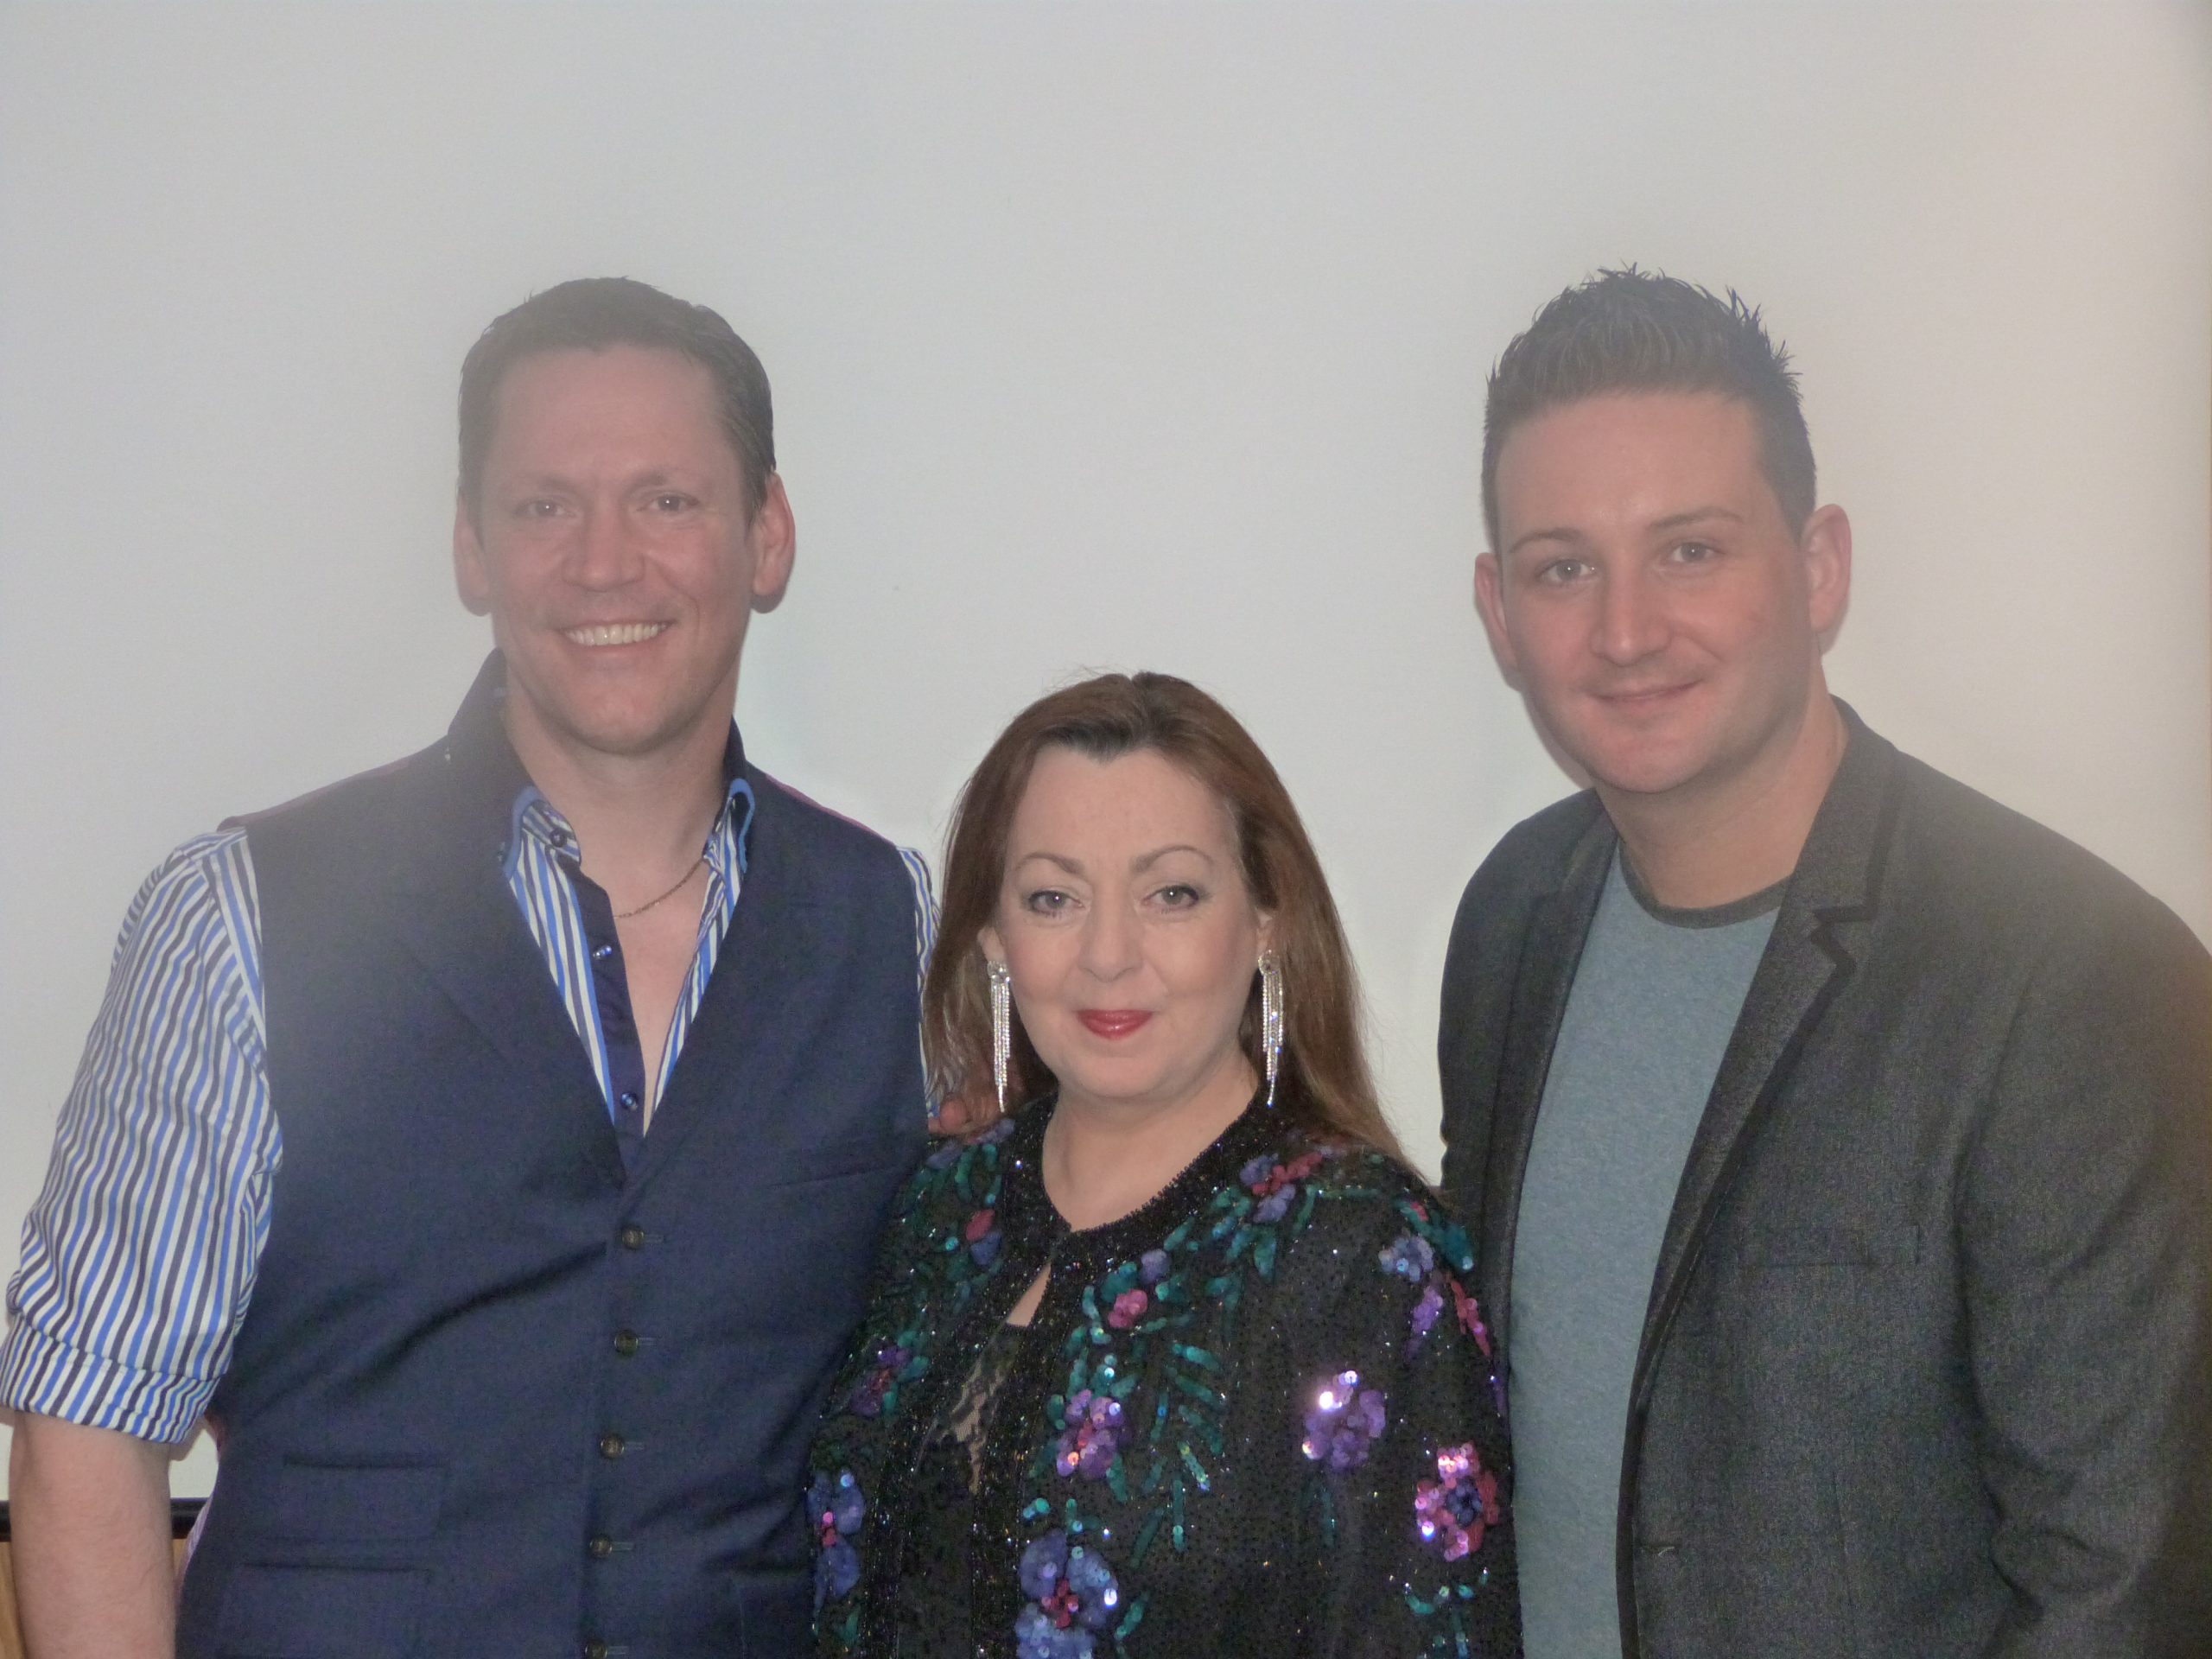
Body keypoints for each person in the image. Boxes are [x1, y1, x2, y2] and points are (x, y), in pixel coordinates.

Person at [2, 277, 934, 1657]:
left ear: (767, 535)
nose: (605, 563)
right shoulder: (237, 916)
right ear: (471, 549)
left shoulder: (893, 923)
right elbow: (87, 1432)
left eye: (667, 499)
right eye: (546, 505)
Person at [1440, 268, 2212, 1656]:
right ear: (1499, 612)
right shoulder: (1512, 918)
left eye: (1690, 551)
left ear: (1818, 568)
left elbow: (2124, 1583)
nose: (1626, 631)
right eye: (1564, 568)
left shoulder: (2075, 978)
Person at [810, 671, 1519, 1659]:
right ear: (993, 938)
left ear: (1265, 921)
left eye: (1171, 894)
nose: (1108, 954)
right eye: (1053, 898)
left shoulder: (1359, 1254)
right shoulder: (939, 1206)